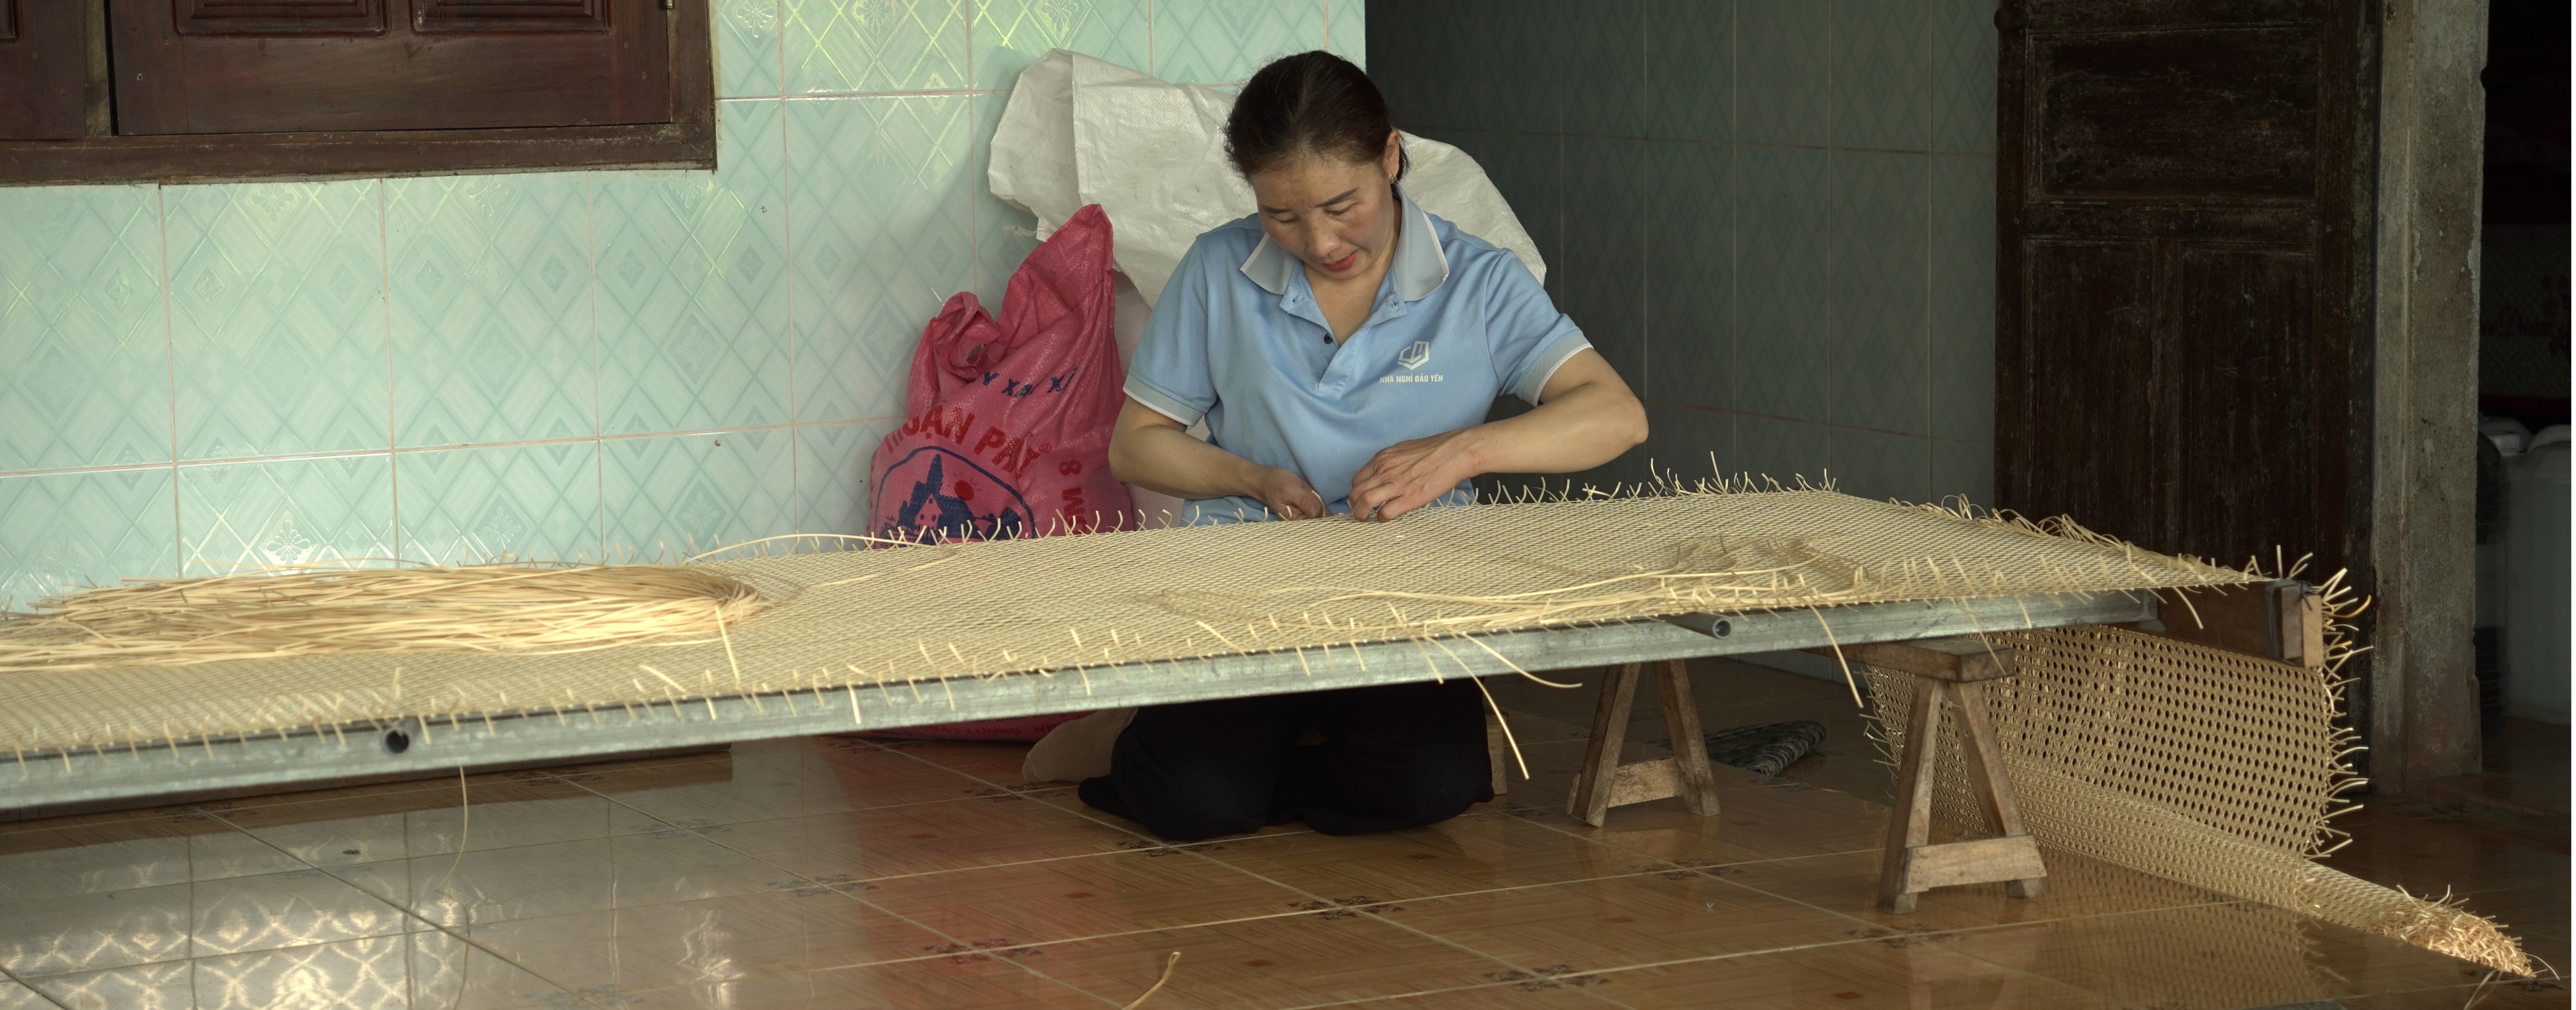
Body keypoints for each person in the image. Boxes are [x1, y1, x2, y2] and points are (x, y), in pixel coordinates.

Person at [1083, 50, 1647, 841]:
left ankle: (1268, 763)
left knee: (1437, 783)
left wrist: (1461, 453)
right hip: (1247, 594)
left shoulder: (1479, 282)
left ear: (1389, 156)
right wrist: (1251, 477)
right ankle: (1208, 757)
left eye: (1341, 205)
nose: (1319, 240)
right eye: (1282, 216)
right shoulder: (1218, 269)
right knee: (1194, 802)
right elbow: (1137, 447)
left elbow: (1617, 415)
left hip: (1410, 601)